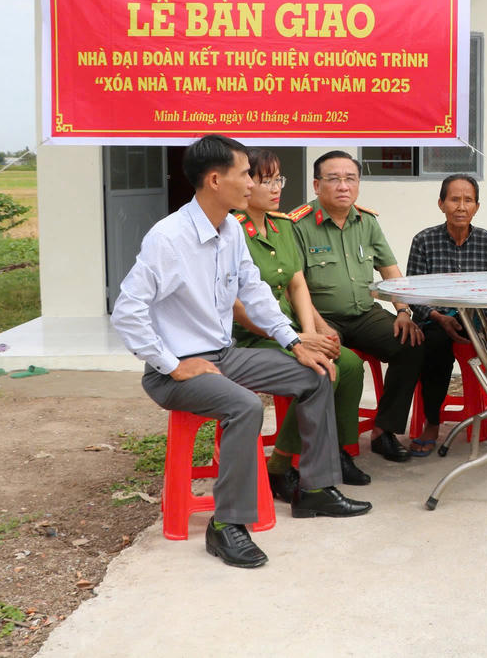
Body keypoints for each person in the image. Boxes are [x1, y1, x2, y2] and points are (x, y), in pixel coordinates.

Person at [111, 135, 371, 569]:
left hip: (224, 355)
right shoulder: (170, 238)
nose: (252, 182)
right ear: (215, 180)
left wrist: (294, 342)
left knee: (316, 373)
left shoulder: (231, 229)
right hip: (176, 371)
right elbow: (127, 312)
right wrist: (172, 365)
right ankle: (226, 525)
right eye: (245, 173)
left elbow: (254, 293)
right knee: (245, 406)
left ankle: (314, 489)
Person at [230, 148, 370, 499]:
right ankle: (281, 462)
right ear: (247, 182)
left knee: (350, 363)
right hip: (252, 335)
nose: (275, 188)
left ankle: (337, 450)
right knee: (321, 370)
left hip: (289, 329)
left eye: (279, 179)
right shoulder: (232, 230)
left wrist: (312, 332)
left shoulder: (282, 226)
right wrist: (297, 340)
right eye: (266, 181)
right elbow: (236, 305)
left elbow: (297, 284)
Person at [289, 151, 425, 463]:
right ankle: (337, 447)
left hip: (364, 313)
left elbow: (390, 271)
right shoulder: (297, 225)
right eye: (333, 179)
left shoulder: (367, 222)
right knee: (343, 365)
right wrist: (318, 326)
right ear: (316, 184)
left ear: (359, 184)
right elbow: (294, 287)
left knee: (412, 343)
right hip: (321, 317)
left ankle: (384, 431)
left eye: (350, 179)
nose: (343, 186)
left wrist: (403, 311)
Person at [405, 174, 487, 454]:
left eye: (468, 200)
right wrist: (437, 317)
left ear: (477, 207)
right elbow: (413, 292)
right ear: (441, 203)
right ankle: (432, 423)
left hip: (482, 320)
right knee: (434, 350)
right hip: (437, 319)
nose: (461, 206)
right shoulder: (424, 241)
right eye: (454, 199)